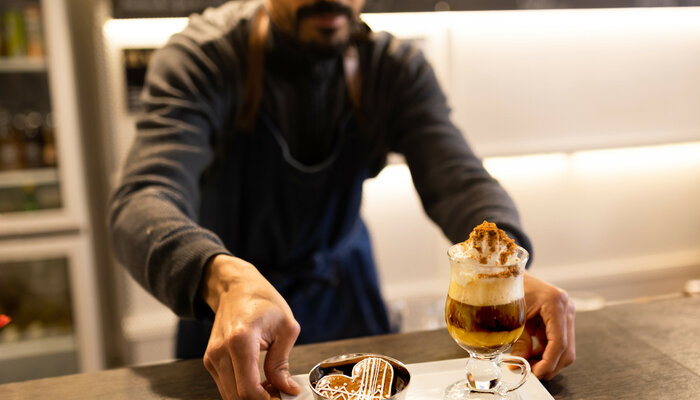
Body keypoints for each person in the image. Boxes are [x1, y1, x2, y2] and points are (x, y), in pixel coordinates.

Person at [108, 0, 575, 398]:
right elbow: (141, 201)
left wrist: (505, 266)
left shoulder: (390, 67)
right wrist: (225, 280)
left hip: (349, 307)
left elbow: (459, 180)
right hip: (231, 326)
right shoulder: (204, 58)